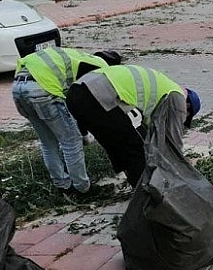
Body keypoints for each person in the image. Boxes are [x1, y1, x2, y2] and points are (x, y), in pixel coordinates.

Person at [65, 65, 201, 188]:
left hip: (75, 95)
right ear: (187, 105)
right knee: (136, 150)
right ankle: (148, 196)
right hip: (97, 94)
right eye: (185, 117)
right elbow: (173, 144)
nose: (181, 119)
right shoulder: (178, 98)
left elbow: (147, 132)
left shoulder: (163, 88)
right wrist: (183, 176)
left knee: (120, 147)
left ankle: (140, 190)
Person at [12, 47, 122, 194]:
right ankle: (83, 189)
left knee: (48, 141)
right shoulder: (100, 68)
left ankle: (62, 185)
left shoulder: (79, 57)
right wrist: (83, 134)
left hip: (19, 87)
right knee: (71, 141)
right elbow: (81, 106)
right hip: (43, 89)